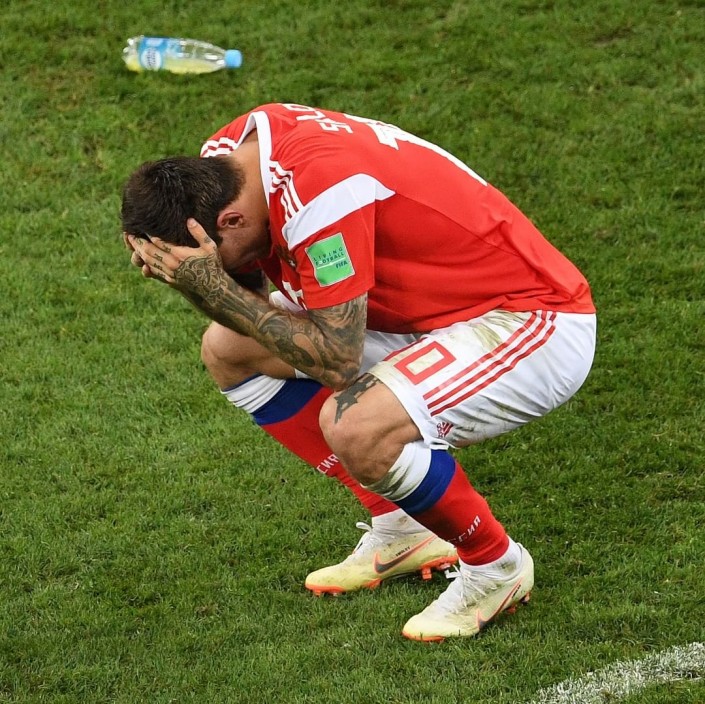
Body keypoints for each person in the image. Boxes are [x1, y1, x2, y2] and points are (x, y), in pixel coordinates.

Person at [121, 102, 596, 641]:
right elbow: (245, 294)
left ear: (230, 222)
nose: (208, 270)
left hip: (527, 320)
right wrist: (204, 284)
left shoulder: (320, 193)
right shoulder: (228, 162)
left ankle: (496, 568)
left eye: (207, 258)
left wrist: (212, 286)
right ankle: (404, 527)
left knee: (355, 424)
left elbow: (338, 360)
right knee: (228, 348)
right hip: (418, 316)